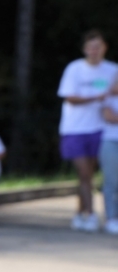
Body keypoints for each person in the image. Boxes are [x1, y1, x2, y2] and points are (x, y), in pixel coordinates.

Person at [55, 30, 116, 232]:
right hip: (75, 128)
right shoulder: (74, 69)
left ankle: (81, 213)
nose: (94, 51)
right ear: (84, 49)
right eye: (91, 47)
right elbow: (69, 96)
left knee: (91, 174)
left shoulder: (112, 70)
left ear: (105, 48)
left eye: (98, 47)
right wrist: (96, 98)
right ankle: (90, 214)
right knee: (84, 173)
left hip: (101, 129)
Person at [102, 89, 118, 235]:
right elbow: (109, 117)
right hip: (111, 142)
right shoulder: (108, 98)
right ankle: (111, 219)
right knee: (111, 182)